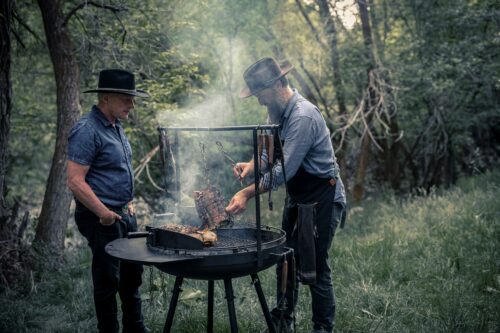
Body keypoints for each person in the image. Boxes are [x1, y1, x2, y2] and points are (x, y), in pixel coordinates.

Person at [225, 58, 347, 333]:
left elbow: (283, 172)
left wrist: (246, 193)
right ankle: (282, 324)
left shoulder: (303, 116)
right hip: (299, 198)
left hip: (322, 196)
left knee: (314, 266)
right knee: (285, 260)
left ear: (278, 84)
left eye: (261, 94)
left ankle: (322, 328)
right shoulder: (276, 111)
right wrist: (251, 165)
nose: (259, 101)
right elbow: (268, 155)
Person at [67, 69, 149, 333]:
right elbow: (75, 181)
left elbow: (113, 172)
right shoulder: (86, 129)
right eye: (127, 98)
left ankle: (135, 328)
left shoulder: (116, 127)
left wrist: (127, 202)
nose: (132, 104)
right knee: (107, 280)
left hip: (123, 212)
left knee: (132, 275)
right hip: (101, 216)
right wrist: (103, 212)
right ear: (107, 97)